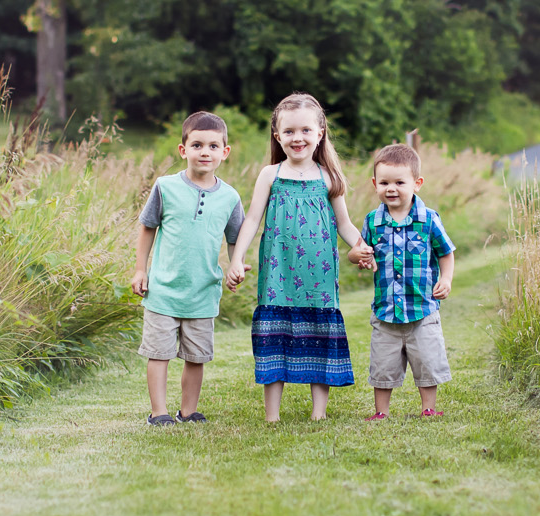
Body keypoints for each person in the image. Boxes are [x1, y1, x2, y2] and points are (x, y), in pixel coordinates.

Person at [227, 93, 374, 422]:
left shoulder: (329, 177)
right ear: (278, 136)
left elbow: (344, 224)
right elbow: (251, 220)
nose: (298, 138)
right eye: (290, 132)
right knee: (275, 334)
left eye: (306, 130)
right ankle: (272, 416)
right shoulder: (270, 174)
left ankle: (318, 414)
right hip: (278, 271)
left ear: (320, 133)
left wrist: (362, 246)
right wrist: (236, 259)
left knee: (319, 334)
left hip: (319, 277)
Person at [130, 111, 245, 428]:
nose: (204, 152)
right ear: (183, 150)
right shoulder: (165, 187)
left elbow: (236, 238)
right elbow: (146, 228)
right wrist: (141, 270)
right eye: (197, 145)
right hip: (164, 289)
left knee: (197, 356)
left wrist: (236, 265)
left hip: (203, 292)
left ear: (225, 152)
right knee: (159, 353)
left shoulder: (230, 197)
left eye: (212, 146)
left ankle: (188, 411)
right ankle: (159, 412)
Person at [355, 143, 454, 418]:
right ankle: (381, 412)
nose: (391, 188)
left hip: (422, 308)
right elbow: (362, 252)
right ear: (375, 183)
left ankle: (429, 408)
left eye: (399, 182)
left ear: (417, 183)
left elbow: (446, 252)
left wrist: (446, 279)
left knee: (427, 360)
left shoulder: (428, 220)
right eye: (384, 182)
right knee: (382, 364)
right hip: (386, 310)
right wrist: (362, 257)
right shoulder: (373, 221)